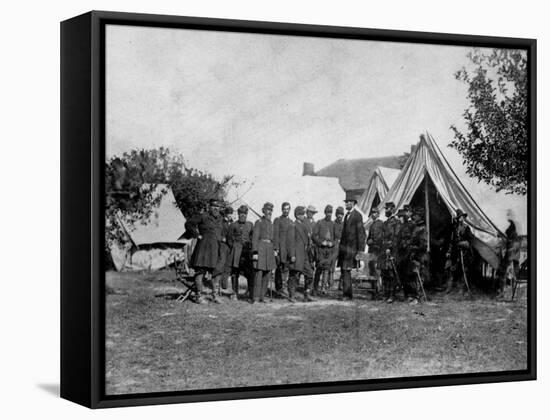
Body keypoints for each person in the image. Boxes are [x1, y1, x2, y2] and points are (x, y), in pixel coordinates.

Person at [186, 199, 223, 304]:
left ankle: (214, 295)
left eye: (218, 207)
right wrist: (197, 235)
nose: (216, 208)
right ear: (209, 207)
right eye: (214, 206)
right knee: (200, 271)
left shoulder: (220, 219)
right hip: (203, 248)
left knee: (216, 272)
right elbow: (189, 224)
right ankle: (198, 296)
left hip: (215, 249)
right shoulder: (203, 216)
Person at [337, 192, 366, 300]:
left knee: (346, 270)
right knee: (344, 271)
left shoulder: (357, 216)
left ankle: (347, 295)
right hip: (344, 250)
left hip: (352, 250)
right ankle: (347, 294)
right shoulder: (346, 216)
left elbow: (361, 234)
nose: (347, 204)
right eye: (346, 202)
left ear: (354, 203)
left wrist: (360, 251)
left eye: (349, 202)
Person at [287, 206, 315, 302]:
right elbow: (291, 242)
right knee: (294, 275)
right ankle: (292, 295)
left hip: (305, 255)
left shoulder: (304, 226)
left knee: (310, 274)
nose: (304, 216)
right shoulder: (293, 225)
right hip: (297, 255)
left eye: (304, 214)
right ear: (297, 215)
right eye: (302, 214)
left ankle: (307, 294)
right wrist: (292, 255)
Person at [251, 202, 277, 303]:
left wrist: (275, 250)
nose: (269, 212)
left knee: (267, 274)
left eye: (271, 210)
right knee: (259, 274)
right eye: (267, 210)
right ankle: (256, 297)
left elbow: (273, 238)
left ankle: (262, 296)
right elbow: (255, 238)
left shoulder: (271, 224)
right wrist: (255, 252)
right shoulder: (259, 222)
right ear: (263, 210)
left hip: (269, 250)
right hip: (261, 249)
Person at [227, 205, 254, 300]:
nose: (243, 216)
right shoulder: (233, 225)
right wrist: (234, 247)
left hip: (246, 253)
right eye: (241, 214)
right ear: (238, 214)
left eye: (245, 214)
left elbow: (252, 237)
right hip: (236, 253)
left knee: (249, 273)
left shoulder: (250, 225)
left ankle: (249, 291)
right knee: (235, 272)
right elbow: (229, 239)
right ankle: (235, 292)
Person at [444, 209, 474, 294]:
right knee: (451, 268)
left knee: (464, 269)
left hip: (464, 253)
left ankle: (463, 288)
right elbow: (451, 240)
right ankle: (449, 287)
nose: (461, 218)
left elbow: (470, 240)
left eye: (462, 217)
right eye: (460, 217)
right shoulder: (454, 228)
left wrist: (463, 243)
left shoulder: (466, 228)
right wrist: (449, 251)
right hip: (455, 252)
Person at [312, 205, 336, 295]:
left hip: (329, 250)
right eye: (327, 212)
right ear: (325, 213)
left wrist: (332, 243)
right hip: (321, 249)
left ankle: (323, 288)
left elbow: (337, 238)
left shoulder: (333, 224)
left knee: (326, 269)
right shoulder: (320, 223)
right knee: (319, 268)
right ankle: (315, 288)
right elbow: (314, 236)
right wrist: (321, 242)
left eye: (330, 212)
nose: (329, 214)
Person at [380, 202, 400, 303]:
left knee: (392, 273)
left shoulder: (396, 222)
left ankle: (392, 295)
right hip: (384, 251)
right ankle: (386, 294)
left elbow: (396, 237)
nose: (386, 210)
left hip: (392, 251)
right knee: (385, 273)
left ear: (392, 209)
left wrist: (390, 247)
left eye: (387, 208)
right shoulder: (385, 222)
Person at [396, 205, 416, 301]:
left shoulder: (412, 224)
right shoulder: (402, 226)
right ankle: (406, 294)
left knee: (409, 274)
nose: (401, 218)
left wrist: (406, 244)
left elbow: (413, 238)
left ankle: (412, 295)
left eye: (407, 212)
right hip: (401, 253)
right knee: (402, 274)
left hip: (408, 252)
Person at [273, 202, 292, 298]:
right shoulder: (278, 220)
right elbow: (275, 235)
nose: (286, 210)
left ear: (289, 210)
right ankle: (279, 288)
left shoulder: (291, 222)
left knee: (286, 269)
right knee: (279, 268)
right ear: (282, 209)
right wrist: (275, 248)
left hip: (288, 250)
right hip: (280, 248)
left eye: (287, 209)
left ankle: (283, 288)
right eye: (284, 209)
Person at [213, 206, 233, 295]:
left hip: (230, 246)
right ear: (225, 214)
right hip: (223, 245)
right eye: (229, 214)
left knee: (228, 265)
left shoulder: (232, 223)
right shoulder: (221, 222)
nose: (230, 215)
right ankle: (216, 285)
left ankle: (224, 285)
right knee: (221, 263)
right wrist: (222, 239)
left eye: (231, 214)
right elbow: (217, 233)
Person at [366, 208, 384, 285]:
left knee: (377, 269)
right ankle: (373, 289)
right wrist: (368, 241)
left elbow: (381, 237)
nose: (373, 214)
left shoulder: (381, 224)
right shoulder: (372, 224)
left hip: (377, 249)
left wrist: (373, 241)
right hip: (371, 249)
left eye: (375, 213)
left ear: (378, 214)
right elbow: (369, 237)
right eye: (372, 213)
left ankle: (379, 288)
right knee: (371, 268)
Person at [332, 206, 345, 290]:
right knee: (332, 265)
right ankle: (330, 283)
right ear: (336, 214)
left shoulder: (344, 224)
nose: (340, 216)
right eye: (338, 214)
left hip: (342, 246)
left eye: (341, 214)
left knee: (343, 266)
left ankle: (341, 284)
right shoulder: (333, 224)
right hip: (335, 246)